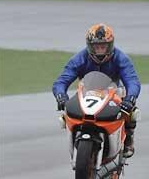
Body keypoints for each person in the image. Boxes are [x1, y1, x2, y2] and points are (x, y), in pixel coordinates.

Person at [52, 23, 141, 157]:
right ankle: (75, 137)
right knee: (67, 112)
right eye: (96, 47)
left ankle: (128, 138)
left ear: (110, 45)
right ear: (89, 46)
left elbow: (132, 80)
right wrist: (60, 95)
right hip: (87, 93)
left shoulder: (121, 58)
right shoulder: (80, 58)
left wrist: (130, 98)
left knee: (132, 111)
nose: (100, 50)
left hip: (113, 93)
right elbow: (62, 80)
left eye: (103, 46)